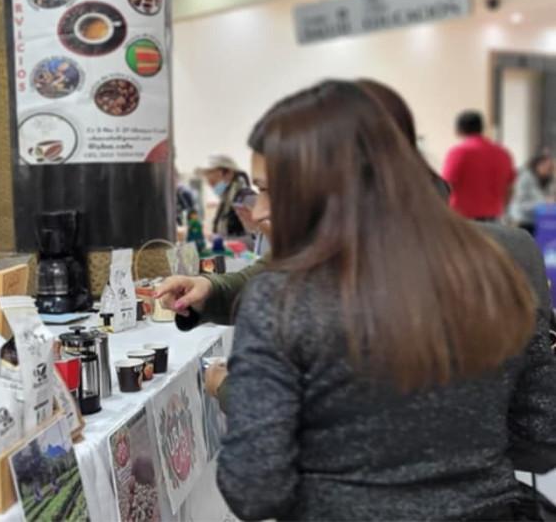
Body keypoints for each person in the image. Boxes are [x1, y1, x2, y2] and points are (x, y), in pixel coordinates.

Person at [212, 80, 556, 521]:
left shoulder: (282, 298)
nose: (258, 211)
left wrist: (230, 390)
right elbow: (542, 435)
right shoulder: (498, 270)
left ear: (327, 186)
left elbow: (255, 490)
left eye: (270, 190)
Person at [441, 109, 515, 221]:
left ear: (458, 130)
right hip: (494, 219)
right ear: (481, 128)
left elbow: (445, 185)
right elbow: (509, 189)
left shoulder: (459, 152)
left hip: (463, 219)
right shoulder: (503, 153)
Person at [198, 155, 251, 239]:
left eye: (214, 183)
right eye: (211, 185)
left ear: (228, 173)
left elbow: (256, 240)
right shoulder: (226, 200)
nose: (214, 188)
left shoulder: (246, 198)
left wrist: (221, 242)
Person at [508, 152, 555, 235]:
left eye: (550, 167)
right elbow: (521, 204)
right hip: (521, 220)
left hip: (538, 221)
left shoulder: (548, 181)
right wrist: (545, 203)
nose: (548, 169)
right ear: (536, 164)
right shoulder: (524, 178)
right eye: (545, 166)